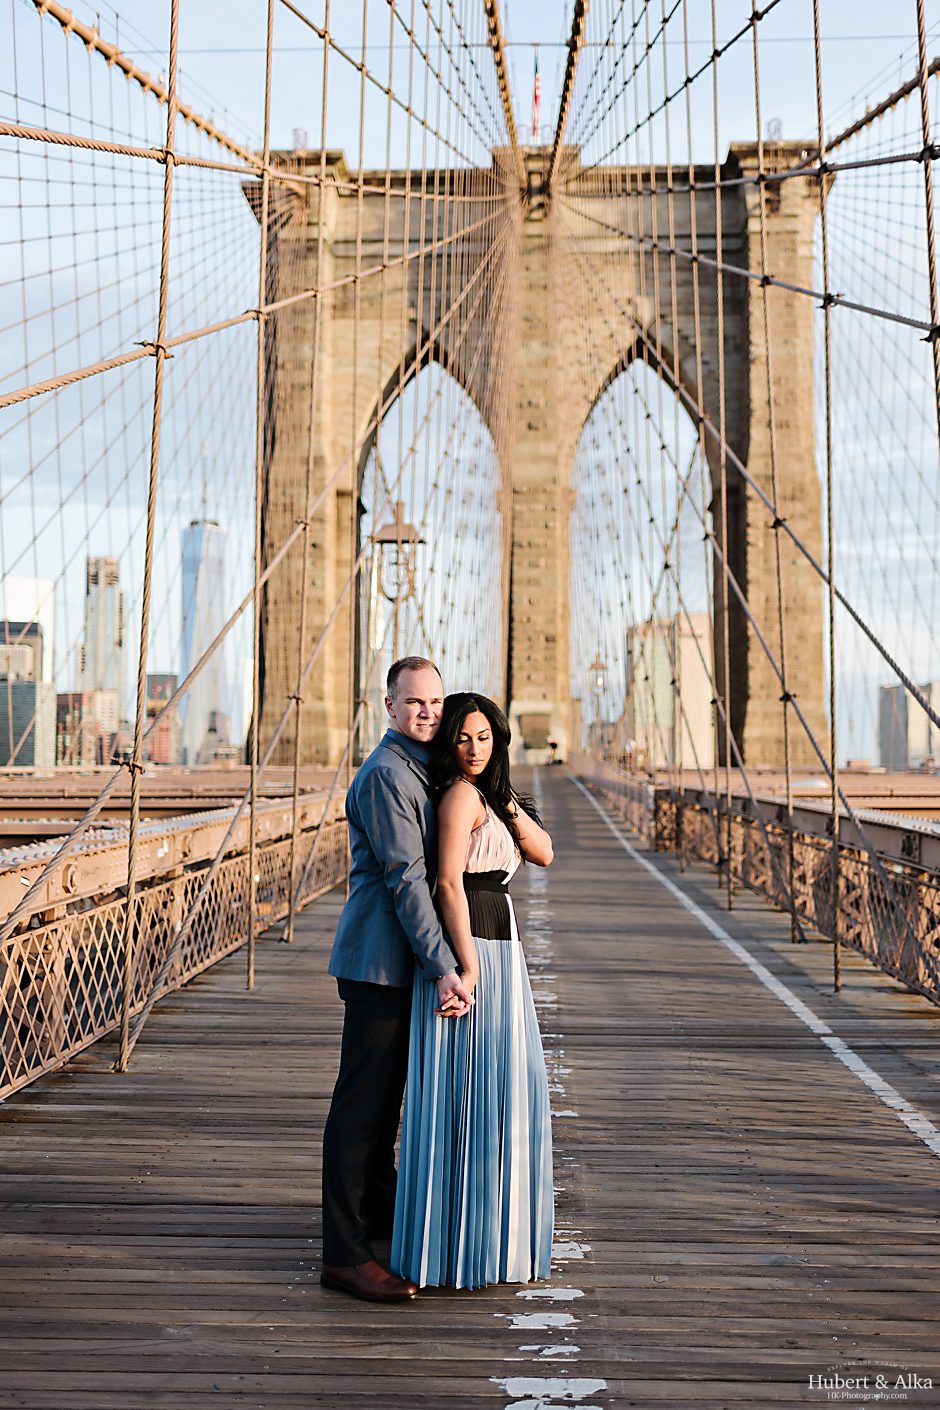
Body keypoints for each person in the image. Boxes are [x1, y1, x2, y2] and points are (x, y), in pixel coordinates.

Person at [320, 657, 475, 1304]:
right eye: (414, 703)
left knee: (383, 1106)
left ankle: (375, 1226)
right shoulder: (387, 775)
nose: (428, 713)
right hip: (380, 964)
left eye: (436, 702)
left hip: (392, 962)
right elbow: (407, 880)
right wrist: (444, 967)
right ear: (387, 706)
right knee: (360, 1112)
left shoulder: (415, 767)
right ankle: (344, 1256)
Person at [391, 691, 555, 1289]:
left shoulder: (490, 794)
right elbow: (447, 883)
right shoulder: (460, 795)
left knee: (498, 1087)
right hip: (478, 946)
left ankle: (485, 1237)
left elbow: (544, 852)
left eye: (485, 737)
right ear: (448, 743)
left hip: (500, 944)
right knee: (472, 1091)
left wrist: (507, 801)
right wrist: (465, 964)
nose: (474, 748)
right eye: (463, 737)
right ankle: (463, 1243)